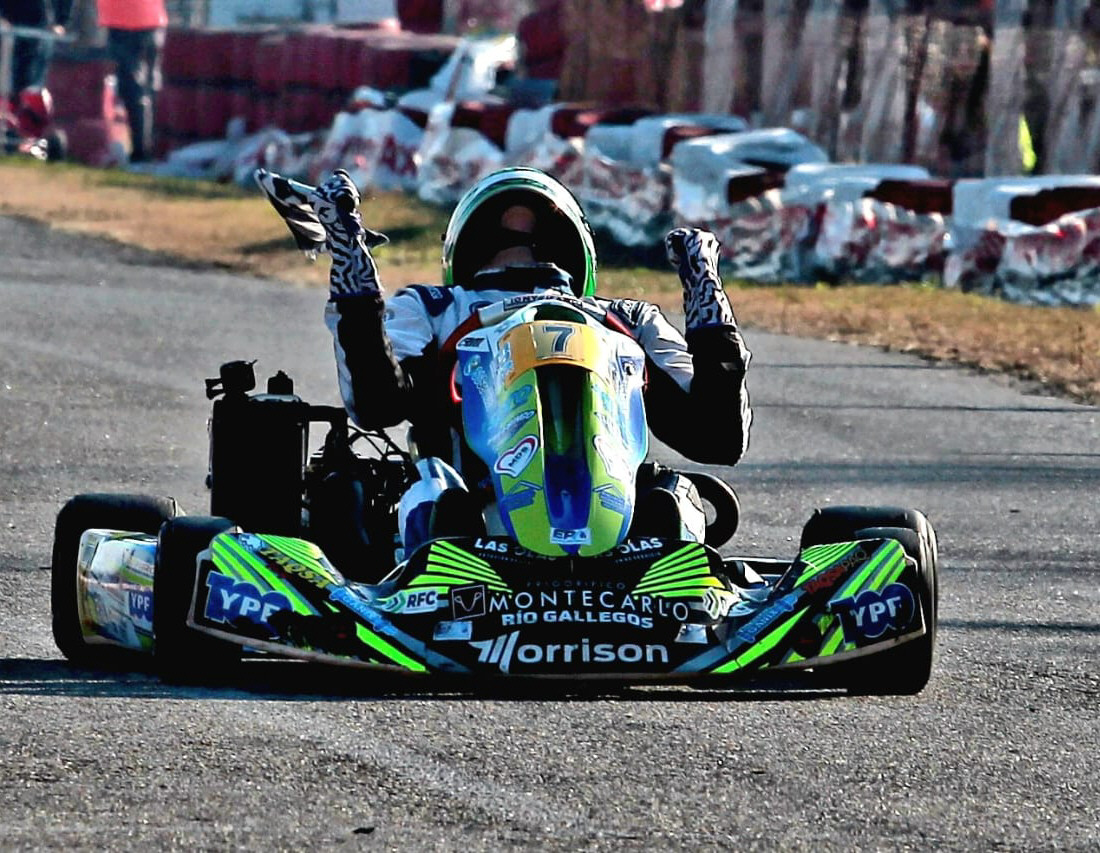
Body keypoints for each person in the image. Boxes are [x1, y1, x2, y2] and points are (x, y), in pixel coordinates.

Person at [256, 166, 752, 553]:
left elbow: (719, 434)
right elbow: (376, 401)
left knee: (669, 500)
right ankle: (461, 536)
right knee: (434, 501)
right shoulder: (434, 307)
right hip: (464, 518)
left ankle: (634, 540)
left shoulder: (622, 320)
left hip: (625, 524)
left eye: (537, 245)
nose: (522, 256)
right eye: (506, 244)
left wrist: (706, 302)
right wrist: (352, 262)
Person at [95, 0, 166, 162]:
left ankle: (141, 152)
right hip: (153, 18)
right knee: (149, 85)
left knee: (133, 87)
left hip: (124, 20)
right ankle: (148, 148)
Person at [0, 0, 70, 93]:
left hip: (44, 27)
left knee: (37, 68)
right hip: (13, 24)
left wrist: (61, 22)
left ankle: (29, 95)